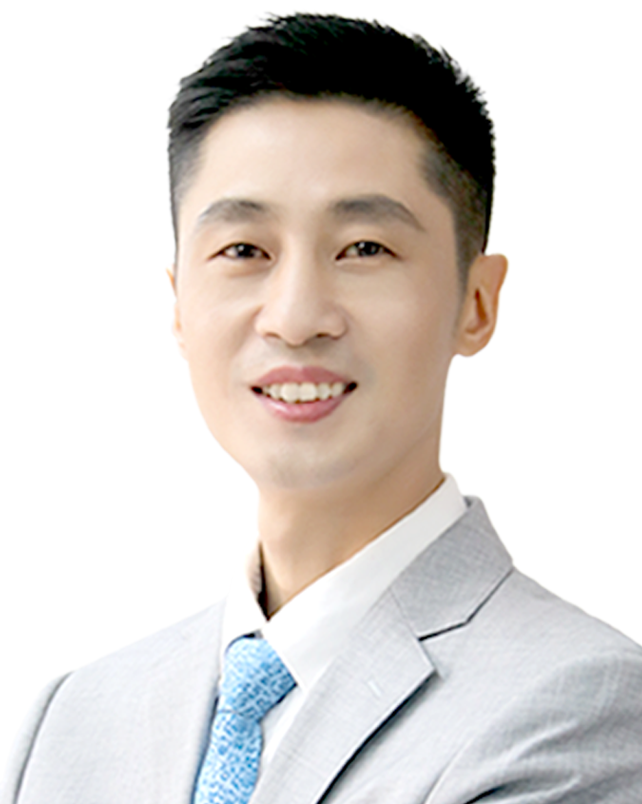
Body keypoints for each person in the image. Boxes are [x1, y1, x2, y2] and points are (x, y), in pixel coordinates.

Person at [2, 12, 641, 804]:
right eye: (244, 251)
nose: (296, 316)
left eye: (364, 248)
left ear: (477, 302)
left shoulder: (578, 708)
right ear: (178, 304)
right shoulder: (72, 721)